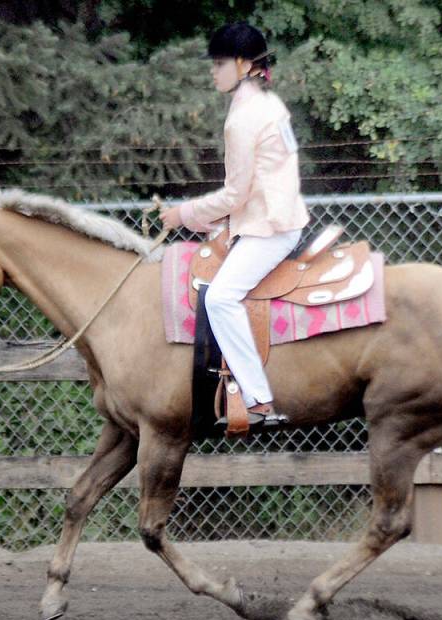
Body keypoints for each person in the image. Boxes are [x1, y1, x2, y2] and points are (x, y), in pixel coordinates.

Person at [160, 21, 309, 425]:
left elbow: (235, 194)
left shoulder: (243, 119)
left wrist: (182, 215)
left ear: (243, 65)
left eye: (220, 63)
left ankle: (258, 400)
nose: (213, 71)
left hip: (270, 227)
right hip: (271, 215)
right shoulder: (270, 104)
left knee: (221, 296)